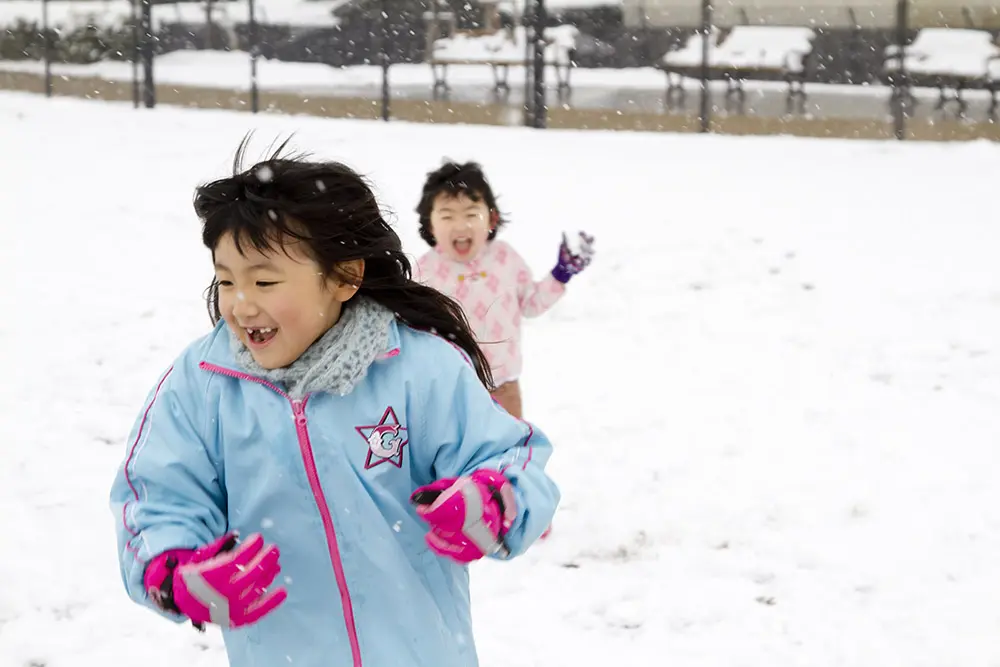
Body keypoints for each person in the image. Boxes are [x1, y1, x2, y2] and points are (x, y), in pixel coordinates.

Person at [109, 140, 560, 667]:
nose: (239, 304)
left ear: (345, 277)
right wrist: (176, 569)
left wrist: (494, 500)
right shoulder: (203, 385)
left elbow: (511, 459)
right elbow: (159, 498)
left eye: (265, 280)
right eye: (226, 280)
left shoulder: (416, 367)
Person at [414, 160, 594, 419]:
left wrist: (561, 273)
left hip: (503, 385)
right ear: (430, 225)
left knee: (509, 454)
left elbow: (531, 303)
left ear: (491, 218)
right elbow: (413, 328)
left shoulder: (505, 259)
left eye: (471, 214)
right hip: (448, 388)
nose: (461, 225)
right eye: (447, 216)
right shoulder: (425, 271)